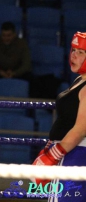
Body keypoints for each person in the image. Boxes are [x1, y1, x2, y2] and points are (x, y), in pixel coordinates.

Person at [31, 31, 86, 202]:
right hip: (68, 152)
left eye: (81, 52)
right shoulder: (80, 80)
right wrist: (50, 148)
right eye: (73, 50)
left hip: (76, 154)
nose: (73, 55)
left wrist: (52, 155)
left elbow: (81, 129)